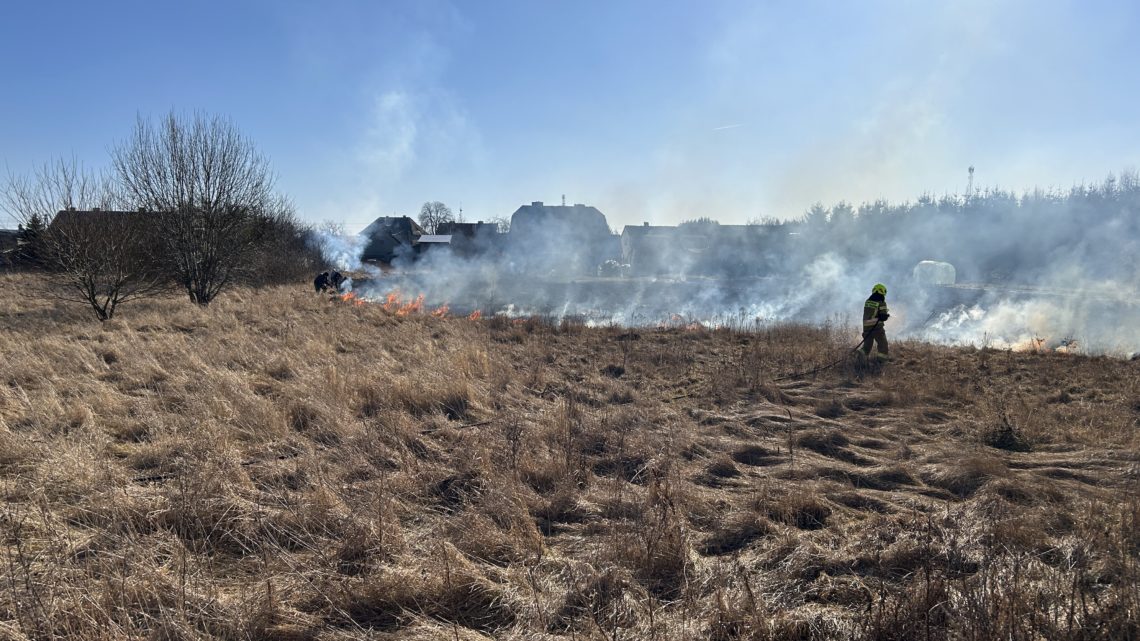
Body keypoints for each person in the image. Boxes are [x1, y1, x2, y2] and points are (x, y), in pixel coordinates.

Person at [861, 283, 890, 360]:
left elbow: (871, 313)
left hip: (866, 327)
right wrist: (886, 316)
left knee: (867, 346)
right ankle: (881, 361)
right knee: (883, 345)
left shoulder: (867, 301)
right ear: (883, 292)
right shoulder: (881, 302)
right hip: (877, 328)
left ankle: (859, 357)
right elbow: (883, 317)